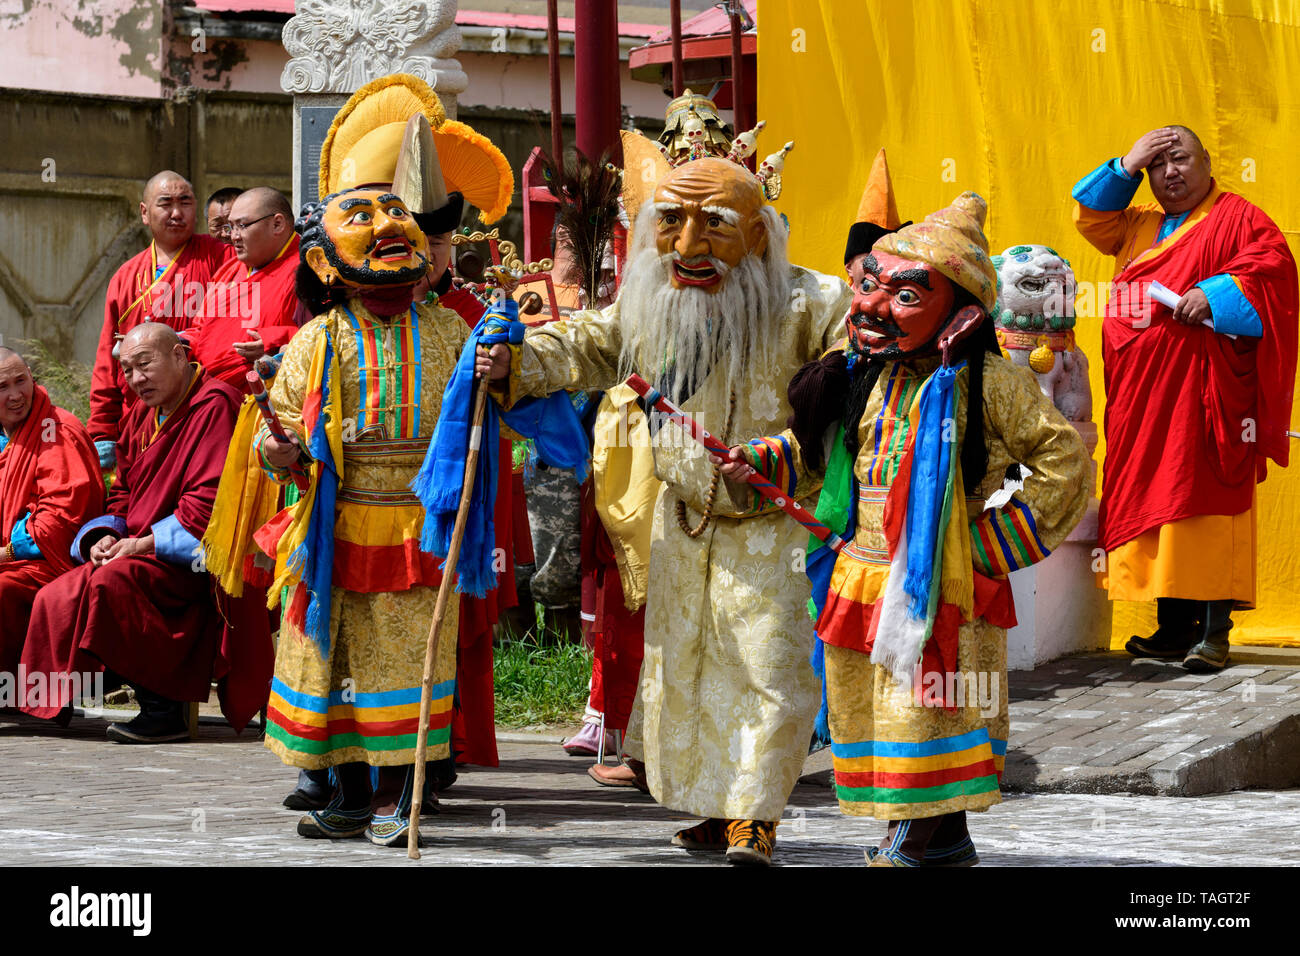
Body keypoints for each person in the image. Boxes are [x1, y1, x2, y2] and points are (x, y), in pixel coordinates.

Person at [481, 153, 853, 865]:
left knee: (768, 673)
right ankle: (715, 808)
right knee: (688, 671)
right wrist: (516, 360)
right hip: (681, 518)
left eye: (713, 225)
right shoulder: (650, 302)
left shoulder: (814, 302)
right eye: (670, 222)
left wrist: (787, 446)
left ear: (759, 235)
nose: (687, 246)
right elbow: (590, 342)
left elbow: (854, 384)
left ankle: (755, 814)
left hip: (773, 521)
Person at [732, 191, 1088, 866]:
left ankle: (908, 837)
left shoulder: (988, 382)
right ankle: (943, 839)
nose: (870, 305)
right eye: (868, 285)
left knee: (927, 714)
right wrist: (759, 462)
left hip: (939, 582)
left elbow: (1063, 465)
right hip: (860, 574)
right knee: (879, 717)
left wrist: (989, 544)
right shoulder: (857, 373)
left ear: (959, 311)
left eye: (903, 295)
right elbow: (818, 455)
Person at [249, 133, 475, 847]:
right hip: (335, 528)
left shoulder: (452, 331)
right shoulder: (316, 340)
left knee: (416, 666)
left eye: (395, 213)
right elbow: (274, 440)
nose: (388, 227)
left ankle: (402, 802)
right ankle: (348, 800)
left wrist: (501, 363)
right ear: (322, 260)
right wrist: (278, 452)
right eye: (365, 217)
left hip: (423, 529)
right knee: (336, 668)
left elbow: (484, 420)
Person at [1073, 126, 1299, 671]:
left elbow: (1275, 273)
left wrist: (1216, 293)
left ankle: (1214, 632)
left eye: (1180, 159)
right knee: (1157, 503)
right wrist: (1125, 164)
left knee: (1204, 501)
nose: (1170, 172)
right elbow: (1090, 218)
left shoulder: (1239, 217)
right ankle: (1173, 627)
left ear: (1206, 162)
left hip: (1207, 389)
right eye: (1157, 165)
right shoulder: (1139, 223)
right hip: (1142, 394)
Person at [20, 323, 271, 741]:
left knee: (112, 584)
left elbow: (210, 507)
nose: (136, 379)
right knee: (58, 594)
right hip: (140, 551)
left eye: (145, 364)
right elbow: (124, 491)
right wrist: (104, 535)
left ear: (179, 356)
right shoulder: (141, 413)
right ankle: (60, 700)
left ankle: (164, 709)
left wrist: (142, 544)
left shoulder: (215, 405)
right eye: (127, 370)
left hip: (198, 561)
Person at [89, 171, 234, 469]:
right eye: (166, 204)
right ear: (145, 212)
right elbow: (107, 359)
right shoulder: (126, 276)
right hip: (139, 415)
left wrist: (180, 341)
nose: (177, 213)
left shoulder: (223, 258)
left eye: (186, 202)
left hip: (201, 410)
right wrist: (102, 429)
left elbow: (230, 332)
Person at [0, 348, 104, 678]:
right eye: (3, 387)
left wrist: (6, 552)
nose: (16, 395)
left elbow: (61, 519)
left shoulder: (55, 429)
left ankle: (15, 687)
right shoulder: (5, 435)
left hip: (46, 561)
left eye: (21, 381)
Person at [187, 187, 304, 390]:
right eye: (231, 227)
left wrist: (272, 340)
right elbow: (200, 328)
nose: (234, 237)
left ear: (277, 224)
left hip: (267, 400)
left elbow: (326, 334)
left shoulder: (308, 271)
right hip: (212, 392)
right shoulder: (229, 271)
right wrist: (176, 342)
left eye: (242, 226)